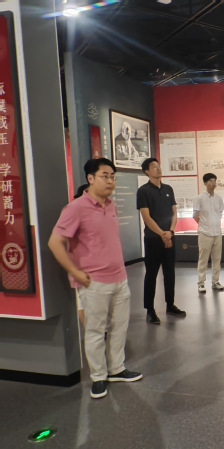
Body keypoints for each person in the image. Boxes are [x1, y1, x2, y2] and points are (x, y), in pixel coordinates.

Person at [48, 158, 142, 399]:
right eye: (105, 176)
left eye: (113, 176)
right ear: (90, 178)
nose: (110, 181)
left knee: (119, 327)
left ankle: (117, 369)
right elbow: (55, 242)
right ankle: (98, 376)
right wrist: (75, 271)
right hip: (94, 281)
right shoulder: (76, 208)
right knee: (95, 330)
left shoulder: (111, 205)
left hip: (119, 278)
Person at [137, 158, 186, 325]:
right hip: (153, 238)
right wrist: (162, 234)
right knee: (151, 274)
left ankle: (170, 305)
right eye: (154, 167)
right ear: (147, 172)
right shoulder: (143, 191)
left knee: (170, 273)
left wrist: (170, 232)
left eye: (159, 165)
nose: (158, 168)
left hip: (169, 236)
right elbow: (146, 217)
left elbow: (174, 212)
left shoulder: (168, 189)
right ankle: (150, 310)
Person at [193, 173, 224, 293]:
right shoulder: (200, 198)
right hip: (205, 233)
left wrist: (215, 223)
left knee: (217, 259)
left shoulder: (218, 198)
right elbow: (195, 215)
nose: (213, 183)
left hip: (217, 232)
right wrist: (204, 225)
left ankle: (215, 281)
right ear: (205, 183)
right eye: (210, 181)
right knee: (203, 259)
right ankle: (201, 283)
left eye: (214, 181)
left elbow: (220, 213)